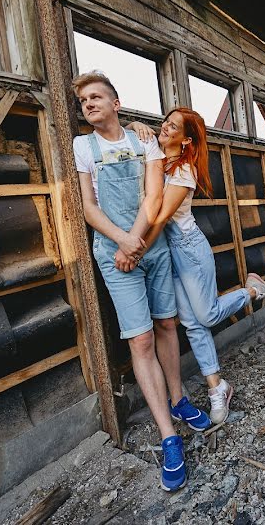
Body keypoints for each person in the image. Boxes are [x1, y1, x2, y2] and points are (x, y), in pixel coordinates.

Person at [72, 71, 209, 492]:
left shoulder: (143, 140)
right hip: (116, 255)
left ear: (117, 103)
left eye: (97, 97)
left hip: (153, 249)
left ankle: (179, 397)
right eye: (83, 101)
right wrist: (124, 243)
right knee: (141, 340)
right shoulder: (84, 146)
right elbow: (89, 207)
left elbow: (153, 198)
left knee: (168, 324)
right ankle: (169, 436)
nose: (89, 104)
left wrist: (138, 242)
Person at [129, 108, 265, 425]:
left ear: (186, 141)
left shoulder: (184, 172)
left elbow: (159, 217)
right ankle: (217, 387)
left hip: (189, 248)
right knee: (192, 324)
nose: (165, 128)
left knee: (207, 314)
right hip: (170, 251)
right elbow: (129, 131)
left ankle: (251, 289)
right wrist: (135, 123)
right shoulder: (155, 153)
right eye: (165, 122)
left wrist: (139, 248)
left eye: (174, 127)